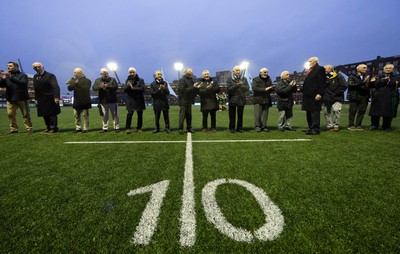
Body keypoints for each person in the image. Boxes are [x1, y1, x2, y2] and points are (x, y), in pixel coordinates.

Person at [0, 62, 33, 134]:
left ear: (16, 67)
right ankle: (14, 129)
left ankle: (29, 128)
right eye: (8, 66)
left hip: (21, 97)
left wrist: (10, 78)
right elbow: (2, 86)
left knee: (25, 114)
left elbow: (23, 83)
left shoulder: (23, 75)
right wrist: (2, 79)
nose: (8, 67)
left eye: (10, 66)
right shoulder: (7, 76)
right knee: (10, 114)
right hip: (10, 98)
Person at [32, 62, 61, 134]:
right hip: (41, 99)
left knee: (52, 114)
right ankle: (48, 127)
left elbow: (56, 87)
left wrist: (56, 97)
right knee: (44, 114)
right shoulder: (35, 76)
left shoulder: (50, 76)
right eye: (35, 67)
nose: (37, 68)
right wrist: (36, 98)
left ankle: (53, 128)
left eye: (38, 67)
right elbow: (36, 89)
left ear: (42, 67)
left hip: (50, 98)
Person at [368, 64, 398, 131]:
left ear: (393, 69)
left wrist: (388, 81)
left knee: (387, 112)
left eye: (390, 68)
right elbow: (375, 84)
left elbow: (397, 83)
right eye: (386, 68)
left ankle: (386, 126)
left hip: (389, 96)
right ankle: (374, 125)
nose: (388, 69)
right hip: (378, 95)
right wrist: (382, 81)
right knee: (375, 111)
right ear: (383, 69)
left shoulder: (396, 76)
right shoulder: (378, 76)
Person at [301, 57, 326, 135]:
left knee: (314, 112)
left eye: (310, 61)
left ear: (315, 61)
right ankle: (310, 128)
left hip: (314, 95)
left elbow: (322, 82)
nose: (309, 62)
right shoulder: (309, 70)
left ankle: (315, 129)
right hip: (307, 95)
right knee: (308, 112)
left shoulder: (319, 69)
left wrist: (320, 93)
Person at [92, 68, 120, 132]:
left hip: (113, 100)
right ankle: (105, 128)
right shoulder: (97, 80)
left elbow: (116, 87)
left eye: (106, 73)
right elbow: (94, 88)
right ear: (101, 74)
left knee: (115, 115)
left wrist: (107, 86)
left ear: (108, 73)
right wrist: (100, 86)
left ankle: (116, 127)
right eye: (104, 73)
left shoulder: (112, 79)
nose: (105, 75)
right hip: (103, 100)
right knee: (104, 115)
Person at [322, 65, 348, 132]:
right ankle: (329, 125)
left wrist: (335, 93)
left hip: (336, 97)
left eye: (325, 69)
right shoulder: (323, 76)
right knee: (326, 112)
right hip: (326, 97)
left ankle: (336, 125)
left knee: (336, 111)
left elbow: (344, 86)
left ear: (330, 69)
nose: (324, 70)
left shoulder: (338, 76)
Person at [66, 68, 92, 133]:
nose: (74, 74)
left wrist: (76, 83)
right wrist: (72, 83)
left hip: (85, 101)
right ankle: (78, 128)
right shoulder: (75, 80)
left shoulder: (87, 80)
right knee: (76, 116)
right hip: (77, 101)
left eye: (75, 72)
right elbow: (69, 88)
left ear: (80, 73)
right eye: (74, 72)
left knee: (85, 116)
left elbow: (85, 88)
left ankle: (85, 128)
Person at [347, 64, 371, 131]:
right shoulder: (352, 76)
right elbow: (351, 85)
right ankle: (351, 125)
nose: (365, 69)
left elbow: (368, 86)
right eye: (363, 67)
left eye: (366, 68)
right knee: (353, 111)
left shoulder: (367, 76)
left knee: (362, 111)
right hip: (354, 96)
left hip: (364, 96)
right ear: (358, 69)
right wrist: (363, 82)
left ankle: (358, 125)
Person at [226, 66, 249, 133]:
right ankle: (231, 128)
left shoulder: (244, 79)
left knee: (240, 115)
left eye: (239, 70)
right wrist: (237, 85)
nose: (238, 71)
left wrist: (242, 85)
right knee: (232, 115)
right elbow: (228, 89)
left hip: (241, 99)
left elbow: (247, 88)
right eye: (236, 70)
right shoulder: (230, 79)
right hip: (232, 99)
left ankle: (240, 128)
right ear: (233, 71)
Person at [124, 67, 145, 134]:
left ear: (135, 72)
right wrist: (128, 86)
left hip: (139, 100)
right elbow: (125, 90)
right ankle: (128, 128)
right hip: (131, 99)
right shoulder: (127, 80)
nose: (132, 73)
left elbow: (142, 89)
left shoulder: (141, 80)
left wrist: (132, 88)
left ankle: (139, 128)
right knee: (129, 114)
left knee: (140, 115)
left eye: (133, 72)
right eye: (130, 72)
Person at [252, 67, 273, 132]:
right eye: (264, 72)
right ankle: (257, 126)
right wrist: (264, 89)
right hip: (258, 99)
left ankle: (264, 126)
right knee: (257, 114)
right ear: (260, 73)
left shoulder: (269, 79)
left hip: (266, 99)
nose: (266, 73)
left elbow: (270, 87)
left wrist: (271, 88)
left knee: (265, 114)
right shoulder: (255, 79)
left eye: (267, 72)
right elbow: (254, 88)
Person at [177, 68, 196, 134]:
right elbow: (183, 90)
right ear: (186, 73)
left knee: (189, 115)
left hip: (189, 100)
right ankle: (180, 128)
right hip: (183, 100)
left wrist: (196, 88)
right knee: (182, 115)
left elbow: (192, 90)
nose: (191, 73)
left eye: (191, 72)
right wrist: (193, 87)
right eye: (190, 72)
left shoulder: (191, 80)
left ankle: (189, 127)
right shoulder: (182, 80)